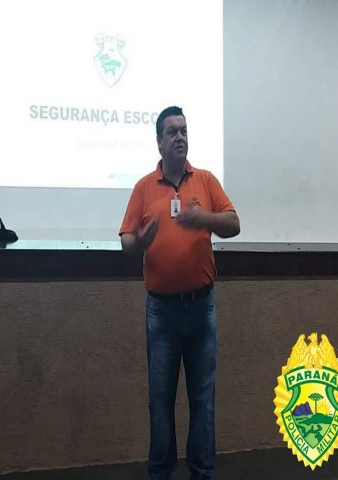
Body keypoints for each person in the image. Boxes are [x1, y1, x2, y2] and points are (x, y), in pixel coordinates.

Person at [120, 106, 240, 480]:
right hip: (162, 313)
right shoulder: (143, 188)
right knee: (160, 400)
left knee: (202, 399)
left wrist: (204, 218)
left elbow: (234, 224)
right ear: (159, 141)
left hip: (201, 308)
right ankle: (161, 474)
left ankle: (202, 473)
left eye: (184, 131)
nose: (180, 137)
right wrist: (140, 240)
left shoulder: (205, 181)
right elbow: (126, 242)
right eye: (172, 132)